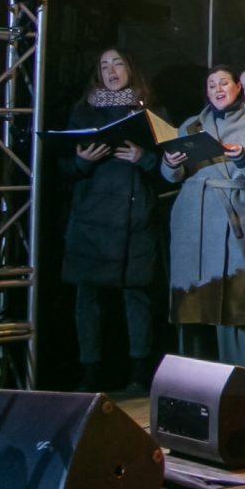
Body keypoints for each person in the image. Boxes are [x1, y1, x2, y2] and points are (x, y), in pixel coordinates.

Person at [60, 47, 158, 391]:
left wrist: (143, 157)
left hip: (134, 219)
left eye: (118, 63)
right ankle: (90, 372)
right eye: (104, 65)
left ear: (131, 68)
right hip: (91, 220)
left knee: (136, 297)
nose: (111, 70)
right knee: (87, 297)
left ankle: (139, 373)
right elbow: (62, 165)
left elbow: (170, 166)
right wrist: (82, 162)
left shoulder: (150, 112)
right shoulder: (83, 113)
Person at [162, 65, 245, 366]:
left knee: (235, 298)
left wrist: (243, 159)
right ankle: (192, 377)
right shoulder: (191, 126)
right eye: (212, 85)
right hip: (191, 216)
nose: (218, 89)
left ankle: (240, 376)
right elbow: (171, 177)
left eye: (224, 83)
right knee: (191, 299)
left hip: (232, 215)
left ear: (238, 87)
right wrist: (170, 163)